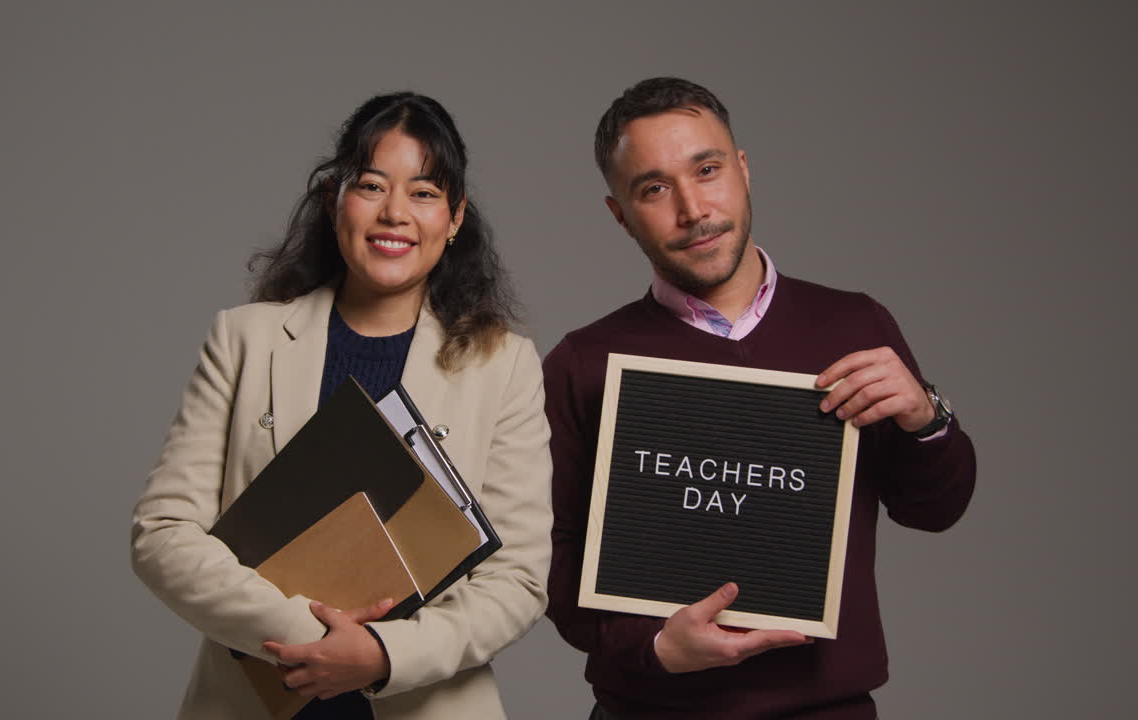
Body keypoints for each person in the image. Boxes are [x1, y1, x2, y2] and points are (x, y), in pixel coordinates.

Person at [542, 77, 977, 719]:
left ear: (743, 171)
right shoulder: (585, 363)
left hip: (827, 707)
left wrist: (925, 418)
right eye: (654, 189)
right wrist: (656, 646)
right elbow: (552, 559)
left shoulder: (855, 326)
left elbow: (937, 508)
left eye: (708, 169)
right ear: (620, 214)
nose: (692, 209)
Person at [131, 92, 552, 720]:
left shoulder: (503, 365)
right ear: (335, 200)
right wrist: (304, 635)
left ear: (455, 216)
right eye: (372, 185)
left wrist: (383, 653)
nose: (394, 214)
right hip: (251, 697)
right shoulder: (244, 339)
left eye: (424, 193)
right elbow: (162, 535)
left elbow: (517, 582)